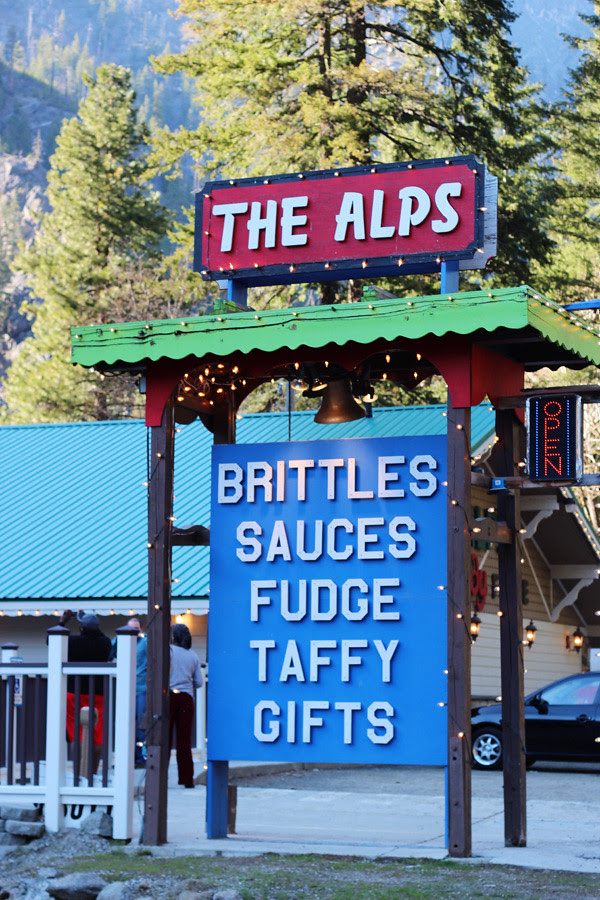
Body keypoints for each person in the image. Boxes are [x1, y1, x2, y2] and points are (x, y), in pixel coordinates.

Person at [58, 609, 112, 770]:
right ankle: (93, 774)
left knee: (76, 734)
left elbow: (51, 639)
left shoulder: (72, 641)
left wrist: (62, 621)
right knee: (97, 734)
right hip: (98, 693)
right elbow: (102, 637)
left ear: (82, 628)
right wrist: (93, 627)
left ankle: (78, 774)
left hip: (74, 692)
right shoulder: (105, 643)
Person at [109, 617, 147, 767]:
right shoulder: (122, 642)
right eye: (130, 628)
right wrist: (119, 637)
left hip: (141, 688)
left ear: (141, 629)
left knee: (140, 724)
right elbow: (110, 653)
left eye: (136, 629)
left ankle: (140, 757)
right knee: (123, 723)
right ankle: (124, 757)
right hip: (125, 688)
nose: (133, 631)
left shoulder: (145, 642)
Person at [169, 623, 203, 788]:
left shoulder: (168, 651)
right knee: (184, 741)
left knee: (165, 739)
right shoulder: (193, 655)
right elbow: (199, 682)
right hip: (186, 698)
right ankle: (187, 779)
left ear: (173, 636)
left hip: (169, 697)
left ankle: (161, 777)